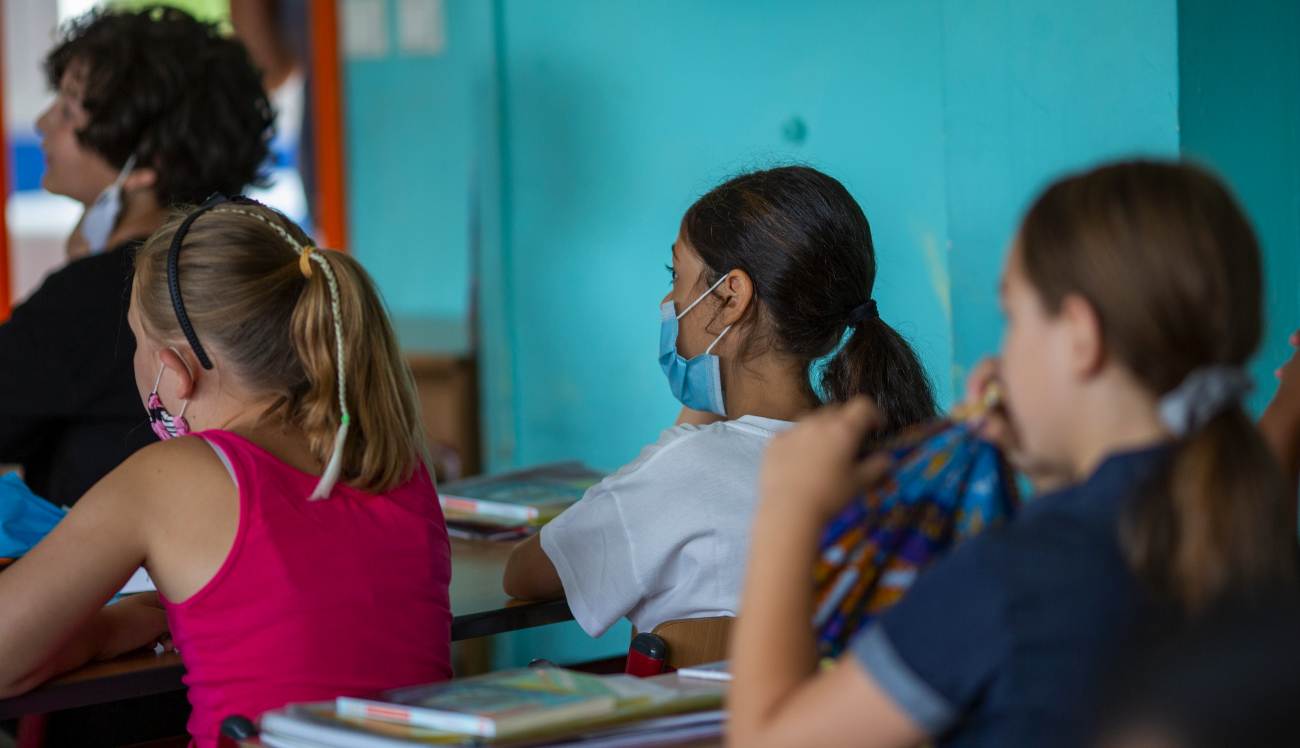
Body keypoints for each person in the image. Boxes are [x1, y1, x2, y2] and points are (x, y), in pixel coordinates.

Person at [727, 160, 1299, 748]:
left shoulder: (1008, 580)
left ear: (1081, 336)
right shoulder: (1256, 543)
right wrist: (1052, 472)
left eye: (1013, 315)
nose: (999, 356)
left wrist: (787, 511)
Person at [0, 199, 452, 748]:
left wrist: (99, 633)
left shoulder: (171, 476)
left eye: (136, 342)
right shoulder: (389, 454)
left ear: (175, 369)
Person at [503, 166, 937, 638]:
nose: (667, 300)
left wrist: (691, 426)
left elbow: (524, 574)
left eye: (677, 275)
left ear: (732, 297)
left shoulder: (683, 471)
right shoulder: (890, 454)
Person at [0, 7, 274, 506]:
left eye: (67, 111)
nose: (42, 125)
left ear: (145, 166)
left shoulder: (98, 293)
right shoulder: (240, 274)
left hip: (113, 583)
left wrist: (85, 272)